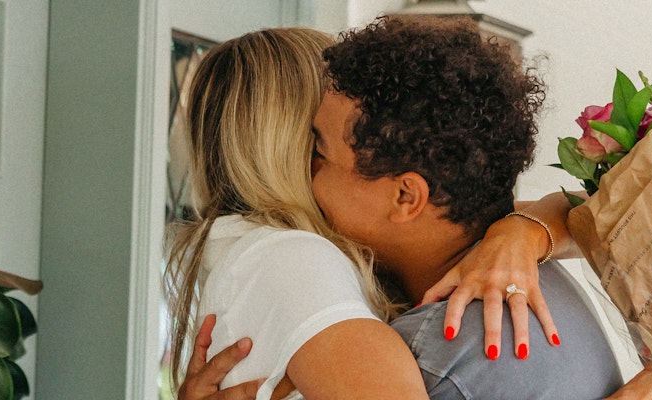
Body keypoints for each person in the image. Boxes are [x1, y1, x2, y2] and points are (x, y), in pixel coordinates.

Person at [184, 15, 652, 400]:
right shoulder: (533, 282)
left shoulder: (438, 350)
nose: (303, 177)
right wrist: (525, 232)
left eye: (317, 154)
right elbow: (581, 208)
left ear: (406, 195)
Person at [165, 27, 579, 400]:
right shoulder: (289, 259)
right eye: (315, 150)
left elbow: (586, 211)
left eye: (320, 152)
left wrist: (524, 233)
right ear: (280, 153)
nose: (314, 169)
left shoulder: (494, 267)